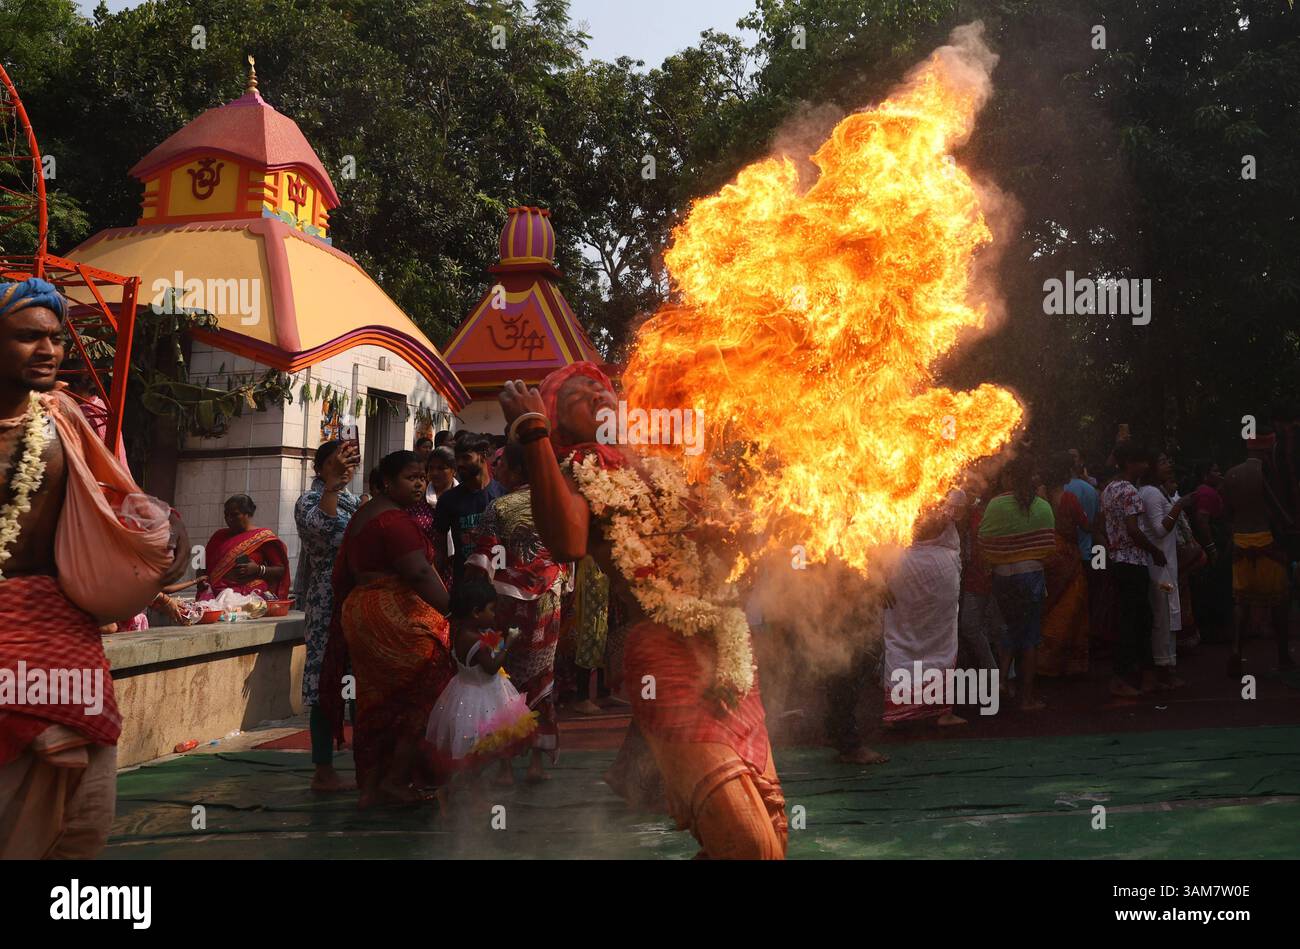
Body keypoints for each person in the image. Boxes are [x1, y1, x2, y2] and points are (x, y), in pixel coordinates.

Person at [500, 363, 787, 859]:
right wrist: (533, 435)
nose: (595, 392)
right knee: (749, 847)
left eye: (600, 385)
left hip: (729, 649)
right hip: (666, 655)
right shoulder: (576, 469)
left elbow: (735, 541)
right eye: (575, 394)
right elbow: (568, 541)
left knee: (772, 838)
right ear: (557, 421)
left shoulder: (664, 462)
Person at [0, 278, 187, 858]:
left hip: (62, 627)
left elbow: (113, 496)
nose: (48, 351)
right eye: (28, 338)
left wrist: (160, 539)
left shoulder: (63, 418)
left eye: (54, 338)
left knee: (86, 809)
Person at [319, 450, 454, 808]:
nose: (420, 484)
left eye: (423, 477)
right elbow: (419, 572)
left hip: (368, 612)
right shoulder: (391, 520)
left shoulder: (371, 512)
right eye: (411, 478)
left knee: (381, 702)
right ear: (387, 482)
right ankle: (394, 781)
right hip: (390, 615)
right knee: (424, 688)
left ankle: (375, 786)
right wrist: (454, 610)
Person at [467, 441, 568, 783]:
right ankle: (538, 762)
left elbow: (484, 561)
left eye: (502, 465)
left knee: (502, 680)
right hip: (548, 603)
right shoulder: (556, 504)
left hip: (503, 605)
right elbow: (568, 554)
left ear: (516, 470)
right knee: (542, 677)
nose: (497, 471)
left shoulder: (499, 508)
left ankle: (506, 766)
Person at [424, 575, 536, 799]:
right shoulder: (475, 641)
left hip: (464, 691)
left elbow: (485, 651)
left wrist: (498, 641)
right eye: (491, 610)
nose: (494, 615)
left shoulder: (463, 634)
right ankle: (458, 786)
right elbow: (492, 666)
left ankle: (468, 786)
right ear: (476, 612)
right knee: (487, 747)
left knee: (480, 748)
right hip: (483, 697)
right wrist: (510, 644)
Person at [293, 438, 361, 792]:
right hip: (326, 605)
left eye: (350, 463)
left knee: (360, 684)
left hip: (359, 601)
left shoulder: (355, 500)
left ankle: (367, 763)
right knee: (325, 685)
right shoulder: (308, 501)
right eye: (338, 462)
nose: (346, 469)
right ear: (320, 468)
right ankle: (323, 769)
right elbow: (326, 529)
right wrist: (332, 484)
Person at [880, 495, 966, 727]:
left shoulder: (900, 490)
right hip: (941, 567)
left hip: (903, 564)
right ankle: (942, 713)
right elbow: (961, 508)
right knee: (942, 640)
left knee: (900, 637)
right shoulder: (946, 486)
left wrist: (878, 578)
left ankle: (896, 712)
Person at [978, 455, 1055, 711]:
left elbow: (984, 541)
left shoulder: (994, 505)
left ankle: (1001, 680)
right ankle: (1027, 699)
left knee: (1010, 630)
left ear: (1009, 477)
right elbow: (1048, 547)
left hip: (1002, 578)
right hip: (1031, 576)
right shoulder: (1043, 506)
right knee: (1030, 637)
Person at [1221, 435, 1294, 673]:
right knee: (1279, 601)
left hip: (1241, 543)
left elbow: (1226, 513)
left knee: (1241, 601)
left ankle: (1236, 651)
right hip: (1267, 542)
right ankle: (1283, 657)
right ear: (1266, 449)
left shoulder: (1231, 474)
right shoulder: (1268, 475)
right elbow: (1280, 512)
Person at [1102, 441, 1165, 696]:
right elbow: (1133, 529)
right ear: (1130, 464)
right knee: (1135, 621)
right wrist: (1155, 551)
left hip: (1118, 560)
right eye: (1142, 461)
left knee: (1137, 618)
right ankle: (1120, 676)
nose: (1146, 466)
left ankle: (1146, 675)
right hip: (1132, 562)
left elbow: (1100, 524)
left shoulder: (1108, 489)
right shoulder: (1129, 491)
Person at [1138, 451, 1188, 689]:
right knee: (1163, 616)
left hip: (1165, 566)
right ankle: (1163, 670)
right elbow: (1159, 530)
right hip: (1159, 569)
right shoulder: (1150, 493)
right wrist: (1179, 505)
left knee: (1167, 615)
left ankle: (1167, 667)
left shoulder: (1157, 492)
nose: (1168, 463)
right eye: (1162, 460)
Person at [1040, 451, 1091, 677]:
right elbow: (1086, 525)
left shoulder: (1038, 495)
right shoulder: (1069, 498)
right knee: (1071, 605)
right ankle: (1064, 663)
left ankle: (1041, 662)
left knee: (1047, 604)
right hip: (1068, 554)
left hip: (1045, 553)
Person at [433, 434, 504, 588]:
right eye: (457, 459)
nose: (460, 464)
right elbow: (439, 548)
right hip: (464, 586)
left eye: (466, 458)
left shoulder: (503, 496)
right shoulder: (448, 500)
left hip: (500, 585)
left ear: (482, 456)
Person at [196, 494, 290, 601]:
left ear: (248, 514)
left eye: (235, 515)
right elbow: (202, 564)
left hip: (248, 596)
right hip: (214, 594)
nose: (229, 519)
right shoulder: (218, 536)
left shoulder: (263, 537)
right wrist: (200, 580)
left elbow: (281, 570)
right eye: (226, 515)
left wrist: (258, 569)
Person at [1188, 460, 1232, 641]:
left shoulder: (1210, 491)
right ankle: (1214, 628)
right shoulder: (1205, 492)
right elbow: (1202, 520)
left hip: (1215, 543)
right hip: (1214, 544)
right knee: (1216, 586)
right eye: (1215, 470)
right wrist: (1212, 547)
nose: (1219, 473)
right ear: (1205, 474)